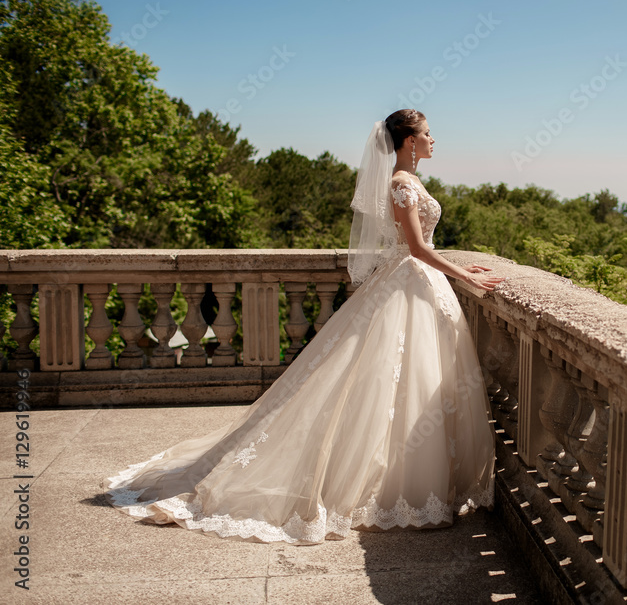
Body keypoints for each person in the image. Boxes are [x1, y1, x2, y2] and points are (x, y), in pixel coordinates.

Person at [104, 109, 505, 544]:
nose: (433, 140)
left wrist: (460, 267)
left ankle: (419, 483)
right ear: (409, 141)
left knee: (405, 385)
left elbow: (422, 244)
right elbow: (415, 249)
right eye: (428, 133)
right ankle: (401, 489)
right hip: (408, 283)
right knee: (386, 385)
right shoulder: (401, 184)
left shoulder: (411, 181)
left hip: (415, 286)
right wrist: (467, 277)